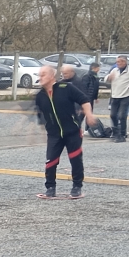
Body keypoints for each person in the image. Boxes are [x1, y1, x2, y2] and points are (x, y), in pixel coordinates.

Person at [35, 64, 97, 199]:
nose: (40, 77)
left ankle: (77, 187)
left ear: (52, 76)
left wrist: (89, 115)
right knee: (50, 161)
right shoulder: (40, 95)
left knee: (75, 159)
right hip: (54, 134)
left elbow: (84, 100)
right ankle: (50, 188)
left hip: (72, 131)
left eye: (43, 74)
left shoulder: (66, 88)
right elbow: (40, 115)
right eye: (39, 75)